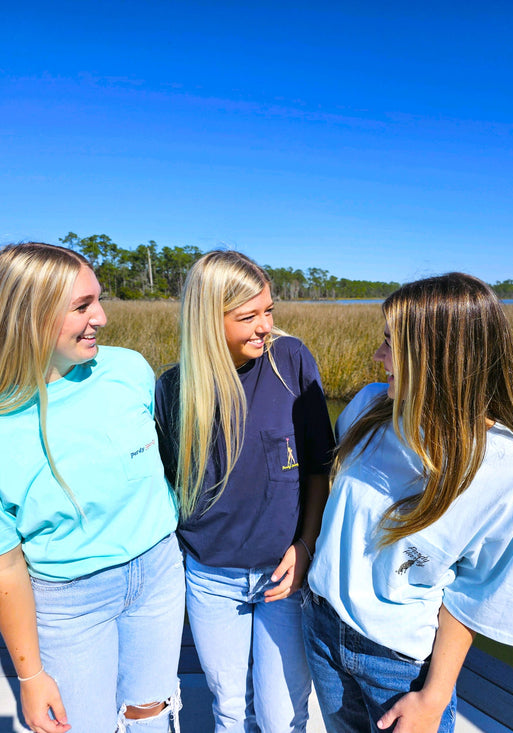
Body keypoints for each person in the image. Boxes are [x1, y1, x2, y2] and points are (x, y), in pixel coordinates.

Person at [303, 272, 513, 733]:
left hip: (397, 666)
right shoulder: (368, 410)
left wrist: (433, 699)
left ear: (439, 356)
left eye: (391, 345)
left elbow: (477, 594)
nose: (378, 358)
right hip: (321, 627)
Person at [0, 243, 185, 733]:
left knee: (152, 712)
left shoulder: (128, 368)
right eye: (82, 307)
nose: (101, 317)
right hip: (69, 600)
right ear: (29, 315)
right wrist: (31, 675)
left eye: (98, 300)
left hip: (160, 572)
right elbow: (6, 565)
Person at [155, 250, 334, 732]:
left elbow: (320, 468)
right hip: (210, 577)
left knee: (282, 717)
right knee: (229, 709)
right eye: (248, 316)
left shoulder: (290, 360)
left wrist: (306, 546)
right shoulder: (173, 389)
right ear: (208, 320)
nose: (264, 326)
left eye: (269, 311)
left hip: (286, 576)